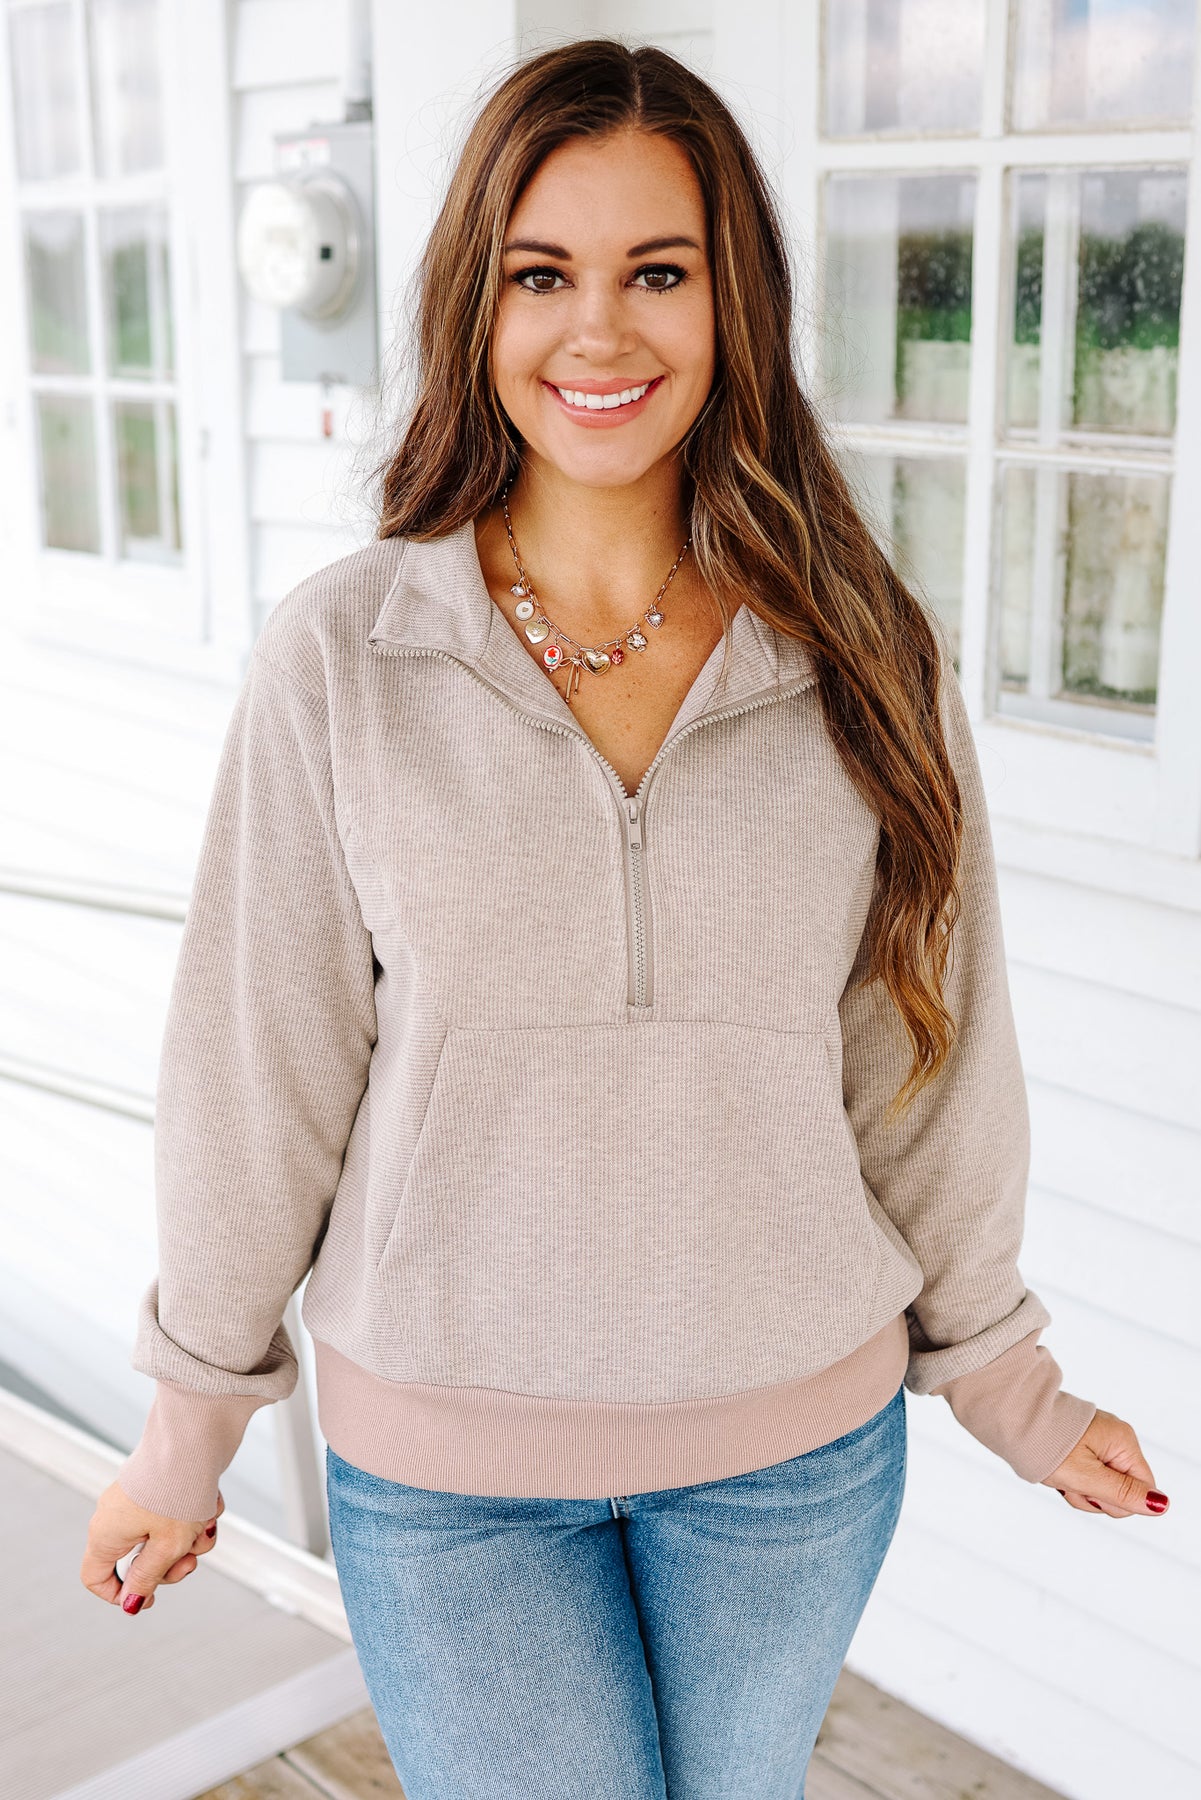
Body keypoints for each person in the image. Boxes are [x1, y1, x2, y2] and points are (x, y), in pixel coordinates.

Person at [81, 38, 1169, 1800]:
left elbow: (925, 1049)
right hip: (446, 1469)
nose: (598, 331)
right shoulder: (345, 660)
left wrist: (1006, 1382)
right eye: (542, 275)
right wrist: (186, 1431)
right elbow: (256, 1070)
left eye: (657, 273)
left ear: (733, 303)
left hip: (793, 1453)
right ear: (477, 305)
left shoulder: (862, 657)